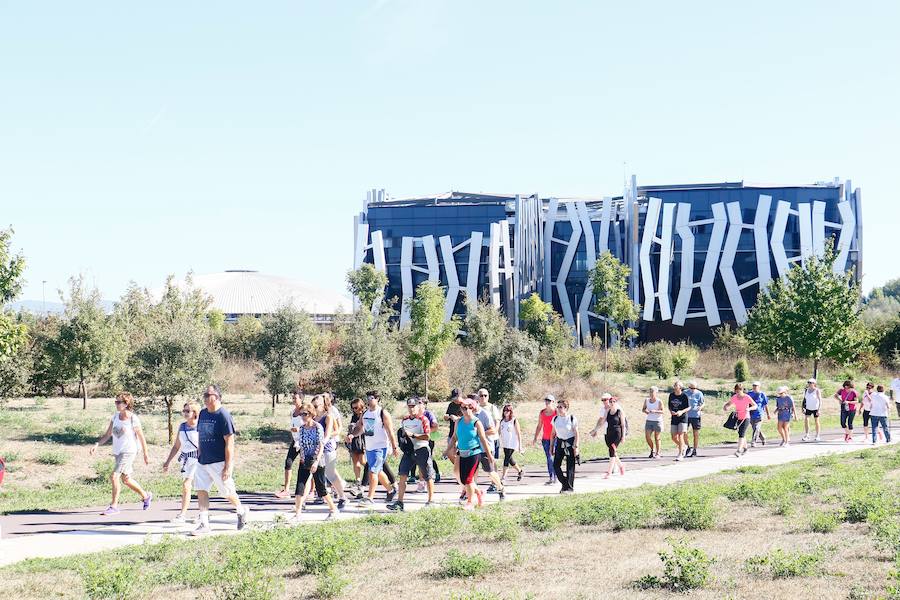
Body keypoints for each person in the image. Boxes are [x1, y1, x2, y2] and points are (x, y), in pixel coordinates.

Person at [191, 385, 249, 535]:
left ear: (216, 397)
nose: (204, 398)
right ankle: (204, 524)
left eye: (207, 395)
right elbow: (200, 435)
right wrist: (199, 452)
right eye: (204, 394)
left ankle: (241, 510)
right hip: (203, 461)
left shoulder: (223, 415)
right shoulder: (203, 413)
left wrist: (228, 466)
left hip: (219, 461)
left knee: (227, 492)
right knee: (201, 490)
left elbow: (230, 442)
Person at [91, 392, 152, 516]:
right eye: (116, 401)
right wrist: (97, 444)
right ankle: (146, 496)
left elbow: (141, 437)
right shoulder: (115, 417)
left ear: (126, 404)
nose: (116, 404)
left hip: (129, 451)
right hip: (118, 452)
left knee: (114, 476)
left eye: (119, 402)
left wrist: (146, 454)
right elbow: (108, 434)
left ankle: (114, 506)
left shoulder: (133, 418)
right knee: (126, 479)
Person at [289, 400, 337, 521]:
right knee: (299, 487)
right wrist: (302, 458)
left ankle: (333, 509)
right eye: (301, 414)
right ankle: (298, 514)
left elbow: (320, 446)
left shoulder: (317, 427)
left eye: (305, 414)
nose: (302, 417)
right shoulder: (302, 428)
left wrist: (316, 461)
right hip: (304, 460)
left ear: (311, 414)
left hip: (317, 461)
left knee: (321, 489)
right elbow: (302, 445)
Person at [351, 392, 400, 505]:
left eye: (371, 398)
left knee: (372, 471)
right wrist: (352, 435)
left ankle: (369, 498)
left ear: (377, 399)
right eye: (367, 398)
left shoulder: (382, 413)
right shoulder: (365, 414)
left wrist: (394, 447)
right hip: (369, 447)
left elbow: (390, 431)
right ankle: (390, 490)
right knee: (378, 471)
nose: (369, 400)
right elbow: (359, 427)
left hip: (380, 447)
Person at [388, 397, 435, 511]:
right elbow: (403, 434)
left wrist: (413, 435)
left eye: (413, 406)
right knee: (403, 474)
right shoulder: (404, 420)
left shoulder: (423, 419)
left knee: (427, 475)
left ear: (418, 406)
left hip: (422, 449)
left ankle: (431, 500)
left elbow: (427, 436)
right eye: (409, 406)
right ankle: (399, 502)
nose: (411, 409)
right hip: (409, 451)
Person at [448, 398, 493, 509]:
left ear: (472, 408)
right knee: (464, 480)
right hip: (462, 453)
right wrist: (447, 449)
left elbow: (483, 439)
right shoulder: (459, 421)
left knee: (468, 479)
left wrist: (489, 455)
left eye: (468, 407)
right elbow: (454, 437)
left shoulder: (476, 422)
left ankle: (469, 502)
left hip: (474, 453)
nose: (465, 410)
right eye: (463, 408)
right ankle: (479, 493)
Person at [162, 401, 201, 523]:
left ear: (195, 413)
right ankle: (186, 515)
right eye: (184, 410)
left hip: (198, 460)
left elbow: (204, 445)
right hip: (186, 460)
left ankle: (194, 514)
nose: (184, 413)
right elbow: (176, 446)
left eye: (187, 411)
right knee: (189, 487)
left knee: (189, 485)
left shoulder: (201, 426)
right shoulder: (182, 426)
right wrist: (167, 461)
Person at [315, 394, 348, 509]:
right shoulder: (314, 418)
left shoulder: (328, 416)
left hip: (327, 448)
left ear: (323, 404)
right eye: (313, 405)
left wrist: (323, 440)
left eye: (316, 405)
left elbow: (331, 432)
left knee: (331, 474)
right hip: (316, 449)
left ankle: (343, 497)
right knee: (315, 474)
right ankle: (304, 501)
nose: (314, 408)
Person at [471, 395, 506, 500]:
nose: (469, 407)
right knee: (473, 472)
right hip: (474, 447)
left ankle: (500, 488)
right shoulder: (470, 414)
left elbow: (493, 430)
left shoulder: (484, 414)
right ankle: (470, 493)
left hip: (485, 447)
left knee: (490, 472)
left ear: (477, 402)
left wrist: (480, 433)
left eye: (471, 404)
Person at [275, 389, 305, 499]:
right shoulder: (292, 412)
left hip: (304, 442)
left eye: (295, 398)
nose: (293, 400)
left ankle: (311, 490)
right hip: (295, 441)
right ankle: (287, 490)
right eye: (293, 398)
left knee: (306, 465)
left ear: (301, 399)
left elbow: (310, 425)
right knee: (288, 462)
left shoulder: (305, 411)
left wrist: (299, 429)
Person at [550, 398, 579, 493]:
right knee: (555, 465)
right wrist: (551, 446)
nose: (558, 409)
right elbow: (553, 433)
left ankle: (569, 488)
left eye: (560, 407)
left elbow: (576, 433)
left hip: (570, 443)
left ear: (566, 408)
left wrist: (576, 446)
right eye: (557, 407)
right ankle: (564, 483)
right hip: (559, 442)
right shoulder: (555, 419)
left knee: (570, 465)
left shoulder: (571, 418)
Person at [724, 383, 757, 457]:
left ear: (742, 390)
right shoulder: (734, 397)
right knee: (741, 434)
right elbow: (729, 404)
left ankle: (739, 450)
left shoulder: (747, 397)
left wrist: (749, 408)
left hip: (746, 417)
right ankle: (745, 449)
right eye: (736, 391)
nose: (737, 393)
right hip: (738, 417)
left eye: (738, 391)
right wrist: (726, 407)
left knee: (741, 434)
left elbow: (755, 405)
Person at [532, 395, 557, 485]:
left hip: (555, 438)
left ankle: (555, 477)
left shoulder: (556, 412)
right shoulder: (542, 412)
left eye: (549, 401)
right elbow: (539, 426)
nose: (547, 402)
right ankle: (552, 477)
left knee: (553, 458)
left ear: (553, 402)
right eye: (546, 400)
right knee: (549, 458)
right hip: (545, 439)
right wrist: (535, 437)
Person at [601, 394, 626, 478]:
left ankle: (609, 472)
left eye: (613, 402)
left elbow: (623, 425)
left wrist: (623, 436)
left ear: (616, 402)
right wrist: (595, 430)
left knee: (612, 450)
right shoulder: (607, 411)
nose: (611, 403)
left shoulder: (619, 412)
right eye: (610, 401)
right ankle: (621, 466)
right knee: (612, 451)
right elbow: (602, 420)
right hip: (609, 433)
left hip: (617, 433)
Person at [499, 404, 524, 483]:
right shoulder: (502, 421)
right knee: (510, 459)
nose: (506, 412)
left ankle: (503, 477)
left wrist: (520, 445)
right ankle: (520, 471)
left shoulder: (514, 420)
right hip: (505, 443)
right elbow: (499, 432)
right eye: (505, 410)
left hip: (512, 443)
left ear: (511, 411)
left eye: (508, 410)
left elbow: (518, 433)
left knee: (506, 458)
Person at [668, 381, 690, 461]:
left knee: (680, 435)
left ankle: (680, 454)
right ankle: (683, 446)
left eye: (676, 385)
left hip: (683, 418)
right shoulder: (671, 395)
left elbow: (688, 407)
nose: (674, 386)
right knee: (673, 437)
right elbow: (669, 406)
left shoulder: (684, 396)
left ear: (680, 387)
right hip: (674, 418)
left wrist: (681, 412)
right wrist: (671, 411)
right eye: (674, 385)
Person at [642, 386, 664, 458]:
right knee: (647, 436)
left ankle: (658, 453)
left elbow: (663, 411)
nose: (651, 393)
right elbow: (643, 409)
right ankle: (652, 449)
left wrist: (655, 411)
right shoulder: (647, 400)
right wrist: (646, 411)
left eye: (653, 392)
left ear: (656, 393)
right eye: (650, 392)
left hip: (657, 421)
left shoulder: (659, 401)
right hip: (649, 420)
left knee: (657, 437)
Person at [748, 381, 770, 448]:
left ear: (759, 387)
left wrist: (768, 414)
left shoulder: (762, 394)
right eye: (754, 386)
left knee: (757, 428)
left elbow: (765, 405)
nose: (755, 387)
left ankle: (753, 442)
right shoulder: (749, 394)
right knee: (755, 428)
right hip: (751, 413)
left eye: (756, 386)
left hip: (759, 413)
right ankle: (763, 437)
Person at [685, 382, 704, 457]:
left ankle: (695, 449)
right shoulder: (685, 393)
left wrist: (701, 407)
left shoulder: (699, 393)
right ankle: (688, 447)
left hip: (696, 415)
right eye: (692, 388)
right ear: (689, 387)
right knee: (684, 432)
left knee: (695, 433)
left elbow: (702, 403)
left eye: (695, 388)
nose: (693, 390)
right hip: (686, 415)